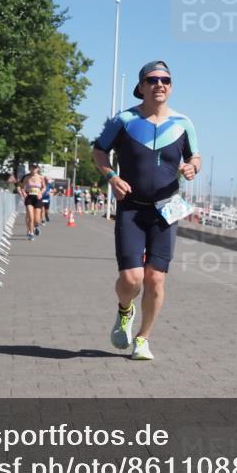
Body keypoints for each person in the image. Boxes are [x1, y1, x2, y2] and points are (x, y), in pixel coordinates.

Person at [92, 60, 200, 361]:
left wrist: (192, 167)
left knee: (156, 279)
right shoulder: (123, 120)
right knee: (131, 279)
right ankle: (125, 311)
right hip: (131, 209)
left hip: (167, 208)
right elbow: (99, 150)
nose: (159, 84)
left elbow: (196, 156)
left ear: (171, 85)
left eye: (165, 79)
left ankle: (143, 338)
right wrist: (111, 177)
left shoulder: (183, 123)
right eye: (152, 79)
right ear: (141, 87)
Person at [19, 165, 46, 239]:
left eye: (35, 168)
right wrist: (23, 192)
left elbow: (44, 187)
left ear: (37, 169)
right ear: (30, 169)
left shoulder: (41, 177)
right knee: (30, 217)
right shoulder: (27, 177)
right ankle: (31, 233)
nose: (33, 169)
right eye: (32, 168)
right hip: (29, 198)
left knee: (37, 220)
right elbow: (22, 187)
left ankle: (35, 226)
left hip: (38, 198)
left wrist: (41, 193)